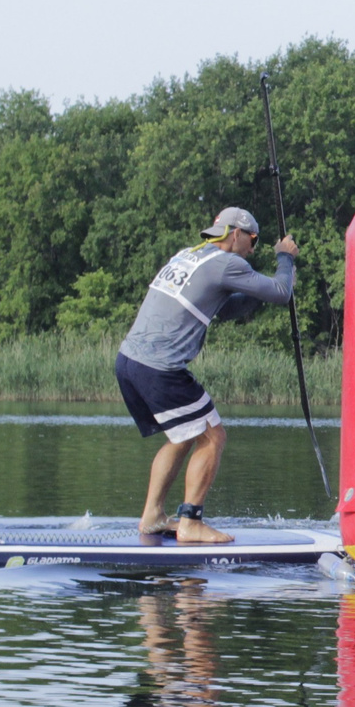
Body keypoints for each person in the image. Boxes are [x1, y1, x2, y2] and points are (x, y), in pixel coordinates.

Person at [115, 207, 298, 544]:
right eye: (253, 240)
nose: (253, 249)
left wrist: (256, 297)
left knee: (183, 436)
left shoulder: (188, 255)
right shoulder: (228, 263)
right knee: (213, 436)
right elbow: (282, 291)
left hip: (128, 362)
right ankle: (190, 522)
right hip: (160, 367)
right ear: (235, 234)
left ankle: (153, 515)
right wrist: (285, 258)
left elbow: (222, 308)